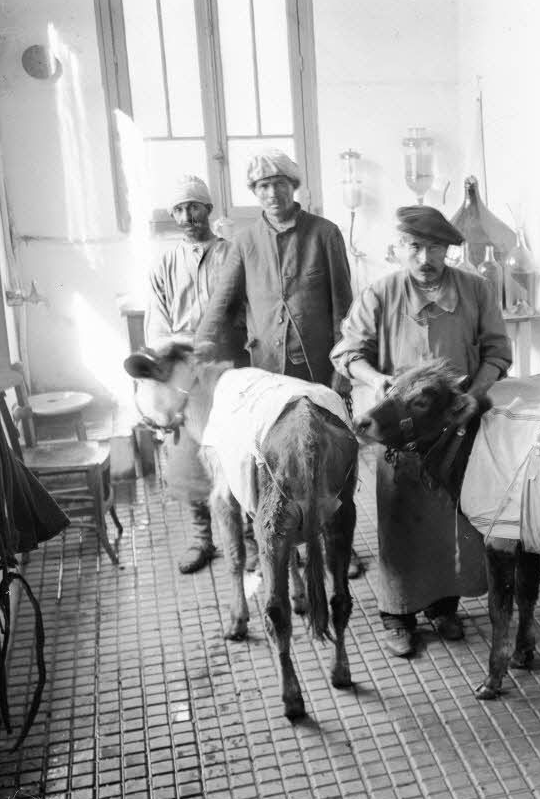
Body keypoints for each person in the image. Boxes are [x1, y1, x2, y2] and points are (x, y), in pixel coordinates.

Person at [331, 205, 512, 658]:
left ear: (449, 249)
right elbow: (347, 352)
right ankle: (398, 614)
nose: (424, 256)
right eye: (414, 246)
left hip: (455, 425)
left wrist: (477, 394)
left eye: (434, 247)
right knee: (399, 515)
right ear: (399, 248)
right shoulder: (381, 293)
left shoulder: (476, 290)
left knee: (453, 514)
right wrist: (376, 380)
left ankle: (443, 606)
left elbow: (497, 353)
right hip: (400, 426)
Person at [144, 175, 249, 573]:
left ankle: (248, 538)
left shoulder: (232, 254)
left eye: (194, 206)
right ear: (173, 216)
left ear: (209, 208)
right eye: (179, 209)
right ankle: (202, 537)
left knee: (237, 451)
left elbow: (246, 309)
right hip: (185, 373)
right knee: (188, 453)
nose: (188, 216)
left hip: (228, 365)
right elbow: (156, 327)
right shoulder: (165, 264)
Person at [195, 148, 353, 392]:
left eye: (280, 184)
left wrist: (342, 368)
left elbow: (342, 307)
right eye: (263, 186)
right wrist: (198, 348)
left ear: (293, 186)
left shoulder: (325, 233)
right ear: (255, 192)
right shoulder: (245, 241)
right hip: (266, 366)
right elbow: (221, 302)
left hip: (317, 365)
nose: (272, 193)